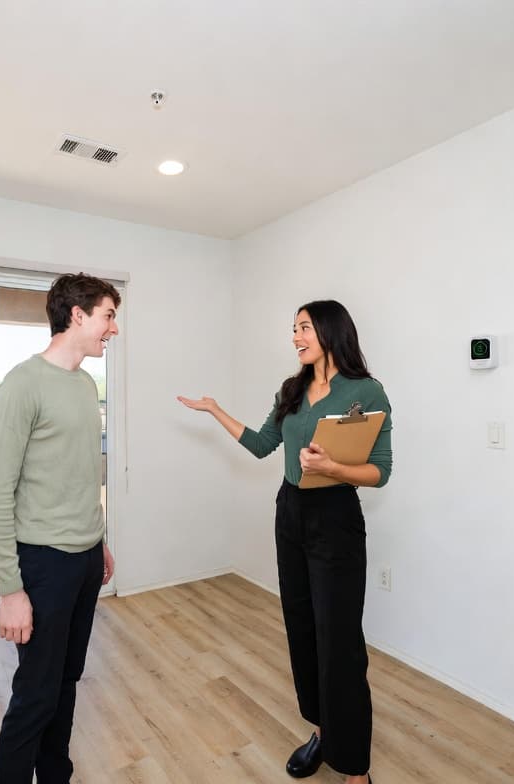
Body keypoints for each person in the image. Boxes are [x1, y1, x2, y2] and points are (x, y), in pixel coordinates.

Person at [177, 299, 391, 784]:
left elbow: (381, 470)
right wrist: (215, 410)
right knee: (302, 628)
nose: (295, 337)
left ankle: (354, 767)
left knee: (340, 641)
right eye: (294, 329)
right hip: (291, 512)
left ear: (331, 332)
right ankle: (322, 731)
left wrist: (333, 467)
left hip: (336, 517)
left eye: (304, 328)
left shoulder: (366, 391)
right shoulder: (292, 390)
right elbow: (261, 445)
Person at [0, 272, 120, 784]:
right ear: (77, 315)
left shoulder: (85, 385)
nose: (114, 329)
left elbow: (81, 475)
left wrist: (100, 543)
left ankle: (56, 776)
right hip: (42, 564)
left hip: (85, 560)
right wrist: (10, 589)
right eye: (108, 316)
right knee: (36, 694)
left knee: (66, 681)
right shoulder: (22, 385)